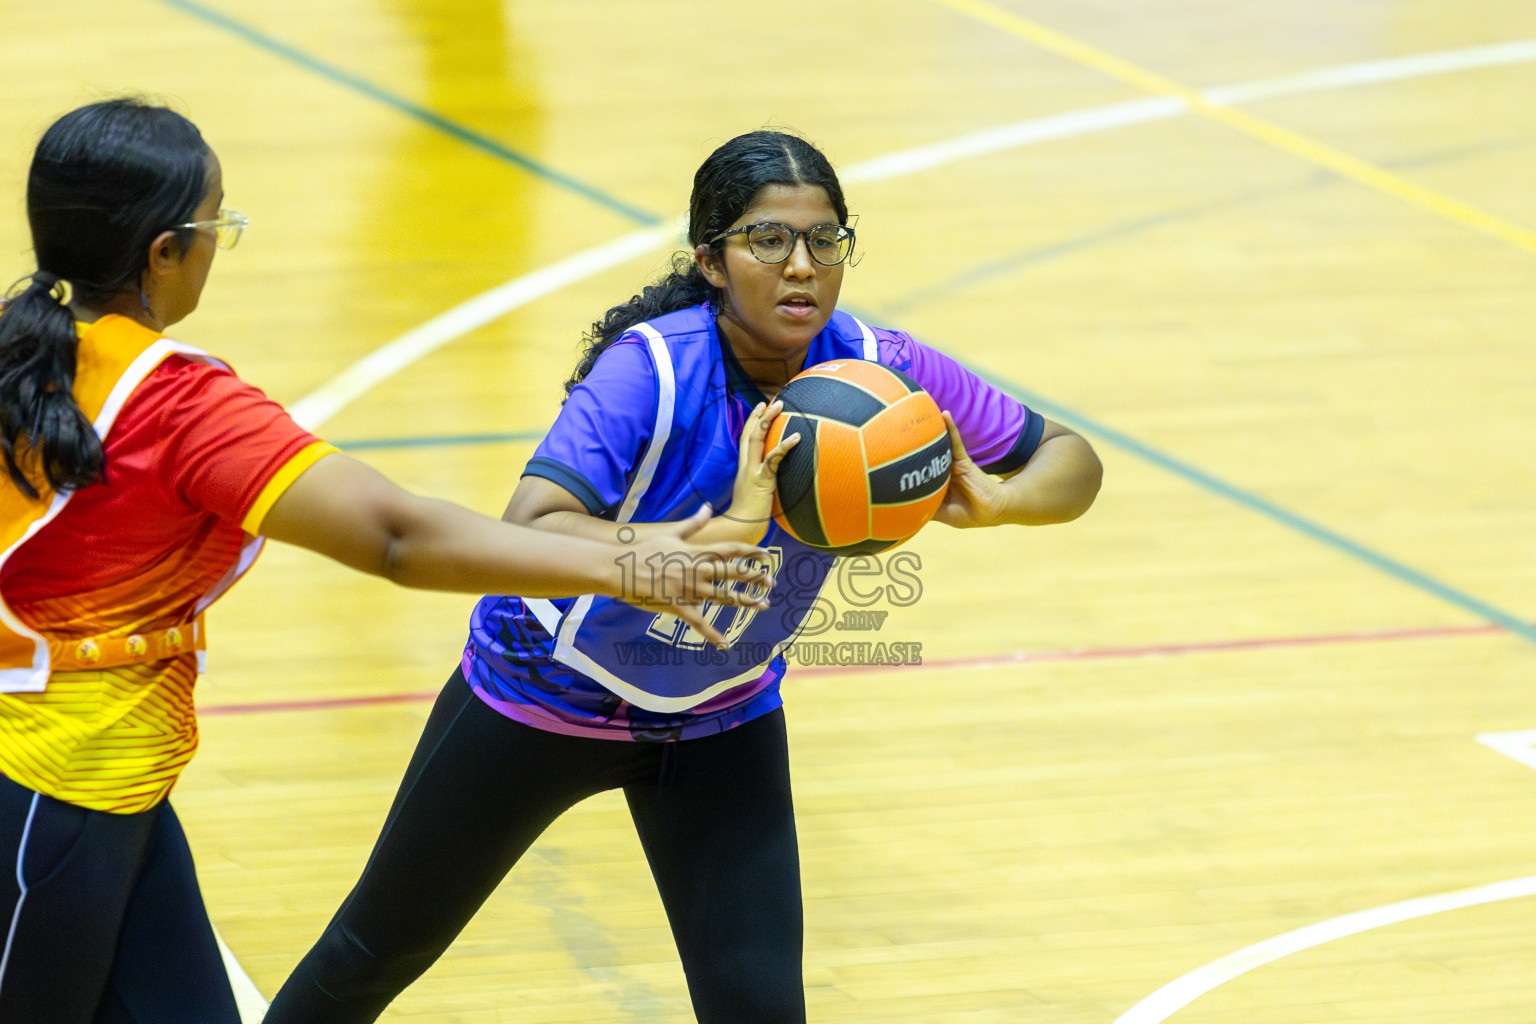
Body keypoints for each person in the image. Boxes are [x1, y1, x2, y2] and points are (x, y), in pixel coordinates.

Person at [266, 129, 1103, 1024]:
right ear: (710, 258)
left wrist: (1005, 501)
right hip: (541, 703)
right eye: (768, 241)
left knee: (762, 1009)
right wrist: (673, 552)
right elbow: (531, 528)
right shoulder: (652, 371)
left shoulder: (879, 372)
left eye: (825, 241)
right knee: (371, 955)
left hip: (721, 718)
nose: (801, 268)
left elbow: (1071, 458)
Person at [0, 98, 770, 1024]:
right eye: (218, 227)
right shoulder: (178, 410)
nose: (219, 246)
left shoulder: (25, 342)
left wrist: (643, 545)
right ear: (164, 252)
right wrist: (627, 569)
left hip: (115, 786)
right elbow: (398, 538)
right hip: (48, 789)